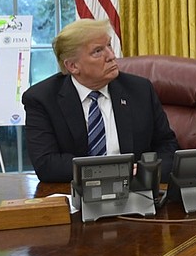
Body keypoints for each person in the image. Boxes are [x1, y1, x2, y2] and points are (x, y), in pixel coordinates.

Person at [22, 19, 180, 183]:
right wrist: (114, 171)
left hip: (136, 191)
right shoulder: (42, 99)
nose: (112, 56)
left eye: (109, 45)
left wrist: (147, 169)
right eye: (98, 51)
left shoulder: (139, 90)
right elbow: (47, 164)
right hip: (77, 194)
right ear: (73, 66)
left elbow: (168, 146)